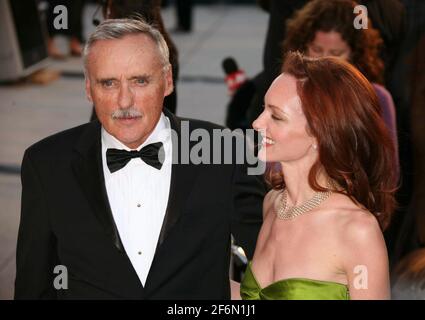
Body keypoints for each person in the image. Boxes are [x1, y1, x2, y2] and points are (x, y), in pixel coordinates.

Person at [14, 18, 265, 299]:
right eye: (108, 83)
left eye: (140, 81)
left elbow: (274, 260)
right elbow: (33, 285)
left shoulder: (223, 152)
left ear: (168, 81)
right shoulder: (47, 164)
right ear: (88, 89)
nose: (124, 101)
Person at [234, 52, 398, 300]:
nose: (257, 123)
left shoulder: (356, 230)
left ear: (319, 135)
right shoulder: (274, 204)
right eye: (263, 109)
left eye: (276, 116)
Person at [281, 0, 400, 184]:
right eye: (317, 50)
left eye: (336, 53)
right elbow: (271, 163)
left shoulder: (377, 97)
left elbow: (388, 174)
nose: (324, 60)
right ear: (302, 47)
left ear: (355, 53)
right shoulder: (285, 91)